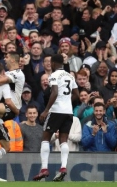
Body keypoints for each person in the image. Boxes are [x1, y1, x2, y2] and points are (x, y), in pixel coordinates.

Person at [33, 54, 79, 182]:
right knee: (63, 140)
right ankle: (63, 167)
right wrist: (66, 102)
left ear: (53, 63)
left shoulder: (53, 75)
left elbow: (54, 92)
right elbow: (77, 94)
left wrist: (46, 110)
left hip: (56, 111)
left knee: (45, 138)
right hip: (68, 112)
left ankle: (44, 168)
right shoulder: (70, 76)